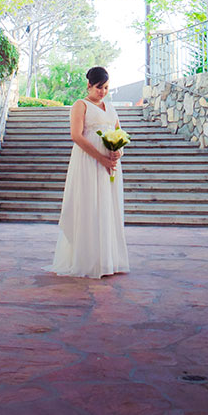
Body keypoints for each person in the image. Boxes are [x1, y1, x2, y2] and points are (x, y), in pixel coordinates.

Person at [50, 66, 130, 278]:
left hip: (109, 164)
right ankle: (88, 260)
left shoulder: (110, 107)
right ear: (88, 85)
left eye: (105, 87)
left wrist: (118, 152)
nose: (102, 92)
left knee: (107, 205)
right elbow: (76, 136)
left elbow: (118, 132)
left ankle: (108, 260)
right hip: (88, 161)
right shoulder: (80, 105)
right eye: (98, 87)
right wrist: (101, 157)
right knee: (89, 205)